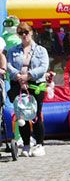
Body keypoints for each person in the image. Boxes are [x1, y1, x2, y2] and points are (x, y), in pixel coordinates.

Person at [5, 22, 50, 157]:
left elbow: (43, 66)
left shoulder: (41, 50)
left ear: (31, 32)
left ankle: (40, 144)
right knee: (21, 115)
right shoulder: (13, 50)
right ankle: (25, 144)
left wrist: (28, 76)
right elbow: (9, 65)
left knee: (36, 114)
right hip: (18, 85)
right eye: (21, 33)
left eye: (26, 32)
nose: (24, 35)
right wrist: (19, 76)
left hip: (35, 85)